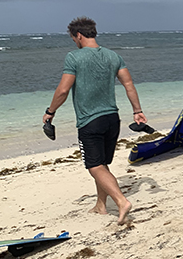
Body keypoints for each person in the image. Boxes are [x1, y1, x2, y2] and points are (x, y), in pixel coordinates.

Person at [43, 17, 147, 225]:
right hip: (111, 119)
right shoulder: (113, 56)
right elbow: (129, 85)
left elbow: (63, 90)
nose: (74, 42)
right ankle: (101, 205)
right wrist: (137, 111)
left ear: (78, 35)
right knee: (103, 164)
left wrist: (50, 111)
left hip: (90, 121)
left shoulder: (74, 57)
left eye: (73, 38)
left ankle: (121, 202)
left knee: (94, 166)